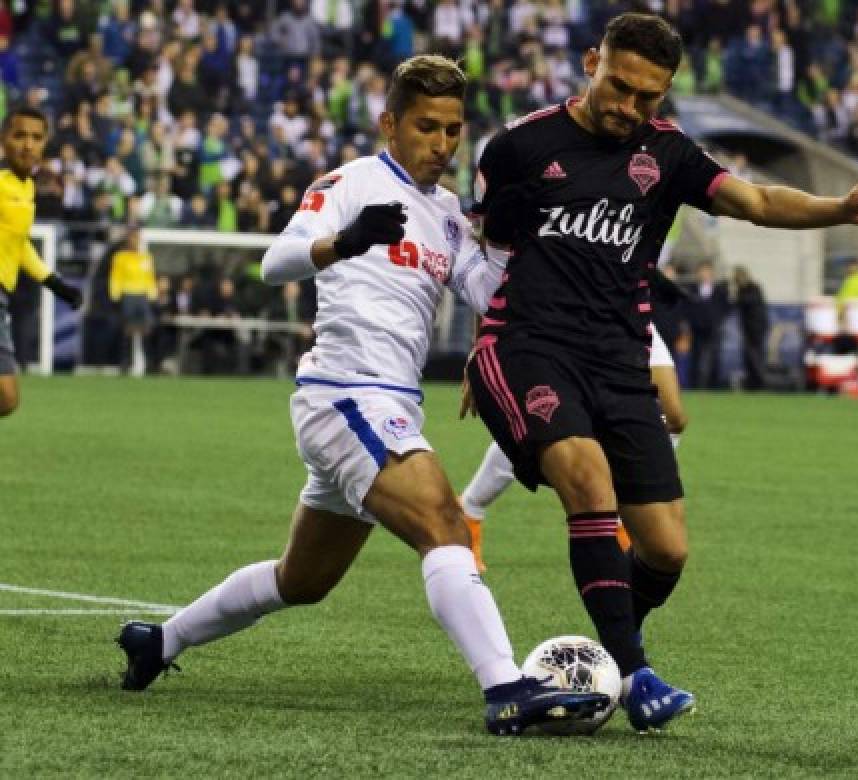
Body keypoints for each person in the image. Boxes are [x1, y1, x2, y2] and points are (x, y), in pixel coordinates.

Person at [114, 55, 607, 737]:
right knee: (445, 522)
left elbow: (490, 298)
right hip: (345, 394)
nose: (440, 145)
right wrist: (342, 243)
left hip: (386, 403)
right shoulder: (348, 183)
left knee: (302, 579)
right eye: (425, 127)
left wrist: (503, 242)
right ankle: (506, 689)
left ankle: (159, 640)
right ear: (390, 123)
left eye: (452, 131)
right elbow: (273, 262)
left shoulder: (446, 218)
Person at [463, 13, 858, 733]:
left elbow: (759, 201)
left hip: (619, 358)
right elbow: (484, 252)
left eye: (649, 96)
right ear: (591, 63)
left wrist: (839, 208)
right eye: (620, 86)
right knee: (587, 479)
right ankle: (634, 672)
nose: (631, 107)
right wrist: (480, 349)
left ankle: (607, 646)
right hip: (531, 345)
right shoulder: (518, 146)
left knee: (666, 549)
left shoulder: (667, 152)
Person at [459, 320, 688, 571]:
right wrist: (482, 346)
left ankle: (624, 519)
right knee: (541, 425)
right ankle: (470, 511)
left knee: (673, 417)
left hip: (624, 313)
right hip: (560, 320)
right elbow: (491, 283)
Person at [0, 106, 82, 416]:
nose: (28, 144)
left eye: (36, 137)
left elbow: (18, 244)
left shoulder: (27, 188)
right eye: (19, 135)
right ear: (4, 139)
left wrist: (55, 283)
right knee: (6, 397)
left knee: (7, 401)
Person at [108, 225, 157, 377]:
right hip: (128, 294)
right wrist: (115, 294)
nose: (135, 241)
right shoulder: (120, 257)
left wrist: (152, 293)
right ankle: (125, 364)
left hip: (143, 295)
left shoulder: (146, 258)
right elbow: (116, 276)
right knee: (127, 331)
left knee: (147, 330)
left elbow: (150, 277)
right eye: (133, 237)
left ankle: (149, 364)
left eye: (137, 237)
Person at [683, 260, 729, 389]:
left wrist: (718, 320)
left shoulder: (720, 291)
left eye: (707, 271)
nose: (704, 274)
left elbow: (726, 307)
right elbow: (686, 307)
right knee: (695, 357)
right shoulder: (692, 289)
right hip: (697, 328)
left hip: (713, 329)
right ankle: (694, 385)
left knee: (714, 357)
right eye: (702, 272)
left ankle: (714, 386)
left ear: (712, 273)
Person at [730, 265, 767, 390]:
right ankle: (752, 382)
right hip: (748, 328)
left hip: (756, 329)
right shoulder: (744, 290)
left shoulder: (753, 288)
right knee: (748, 356)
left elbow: (747, 301)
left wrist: (736, 297)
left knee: (755, 356)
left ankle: (760, 382)